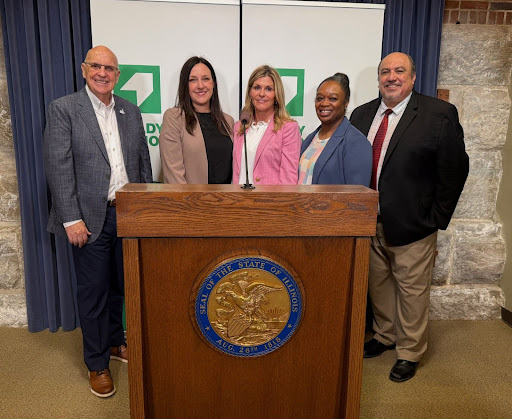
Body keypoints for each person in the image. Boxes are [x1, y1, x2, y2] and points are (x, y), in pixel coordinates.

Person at [350, 52, 469, 382]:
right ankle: (385, 335)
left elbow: (455, 168)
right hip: (369, 221)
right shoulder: (361, 115)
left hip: (415, 224)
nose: (391, 77)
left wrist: (436, 217)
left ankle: (410, 351)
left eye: (399, 71)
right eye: (385, 71)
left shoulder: (438, 114)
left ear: (413, 78)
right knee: (379, 286)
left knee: (412, 292)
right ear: (378, 79)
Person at [43, 46, 153, 397]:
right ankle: (97, 363)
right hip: (89, 218)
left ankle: (115, 342)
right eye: (96, 66)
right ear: (84, 69)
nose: (102, 73)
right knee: (93, 292)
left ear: (117, 75)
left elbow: (142, 163)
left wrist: (145, 210)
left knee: (121, 284)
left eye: (109, 68)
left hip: (128, 214)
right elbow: (58, 166)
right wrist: (71, 219)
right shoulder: (64, 109)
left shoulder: (130, 111)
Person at [160, 57, 234, 184]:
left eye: (205, 79)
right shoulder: (174, 118)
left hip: (227, 196)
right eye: (193, 80)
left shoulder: (228, 121)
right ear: (185, 85)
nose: (200, 86)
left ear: (213, 83)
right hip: (189, 196)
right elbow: (174, 176)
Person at [232, 65, 301, 185]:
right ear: (250, 92)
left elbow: (288, 180)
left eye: (268, 89)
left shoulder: (288, 128)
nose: (262, 94)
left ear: (276, 95)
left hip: (270, 197)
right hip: (238, 196)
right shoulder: (240, 126)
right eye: (257, 87)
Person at [299, 73, 371, 186]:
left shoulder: (356, 142)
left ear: (346, 102)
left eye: (333, 98)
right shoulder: (311, 139)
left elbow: (357, 194)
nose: (324, 103)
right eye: (320, 98)